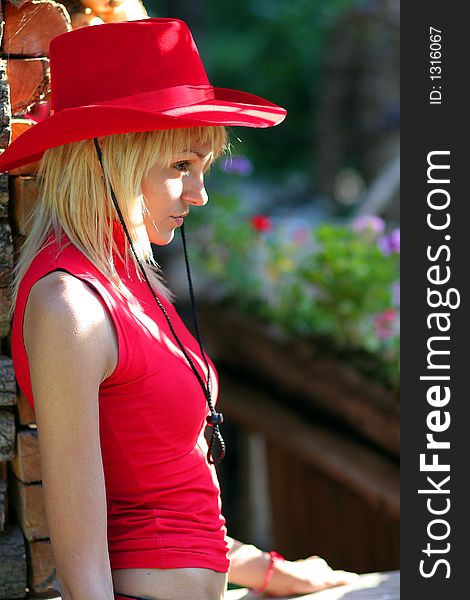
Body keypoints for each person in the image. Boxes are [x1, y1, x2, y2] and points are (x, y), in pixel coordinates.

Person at [0, 18, 358, 600]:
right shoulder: (68, 303)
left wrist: (268, 571)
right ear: (106, 159)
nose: (200, 195)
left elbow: (170, 491)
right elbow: (82, 567)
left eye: (202, 168)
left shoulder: (129, 279)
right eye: (180, 167)